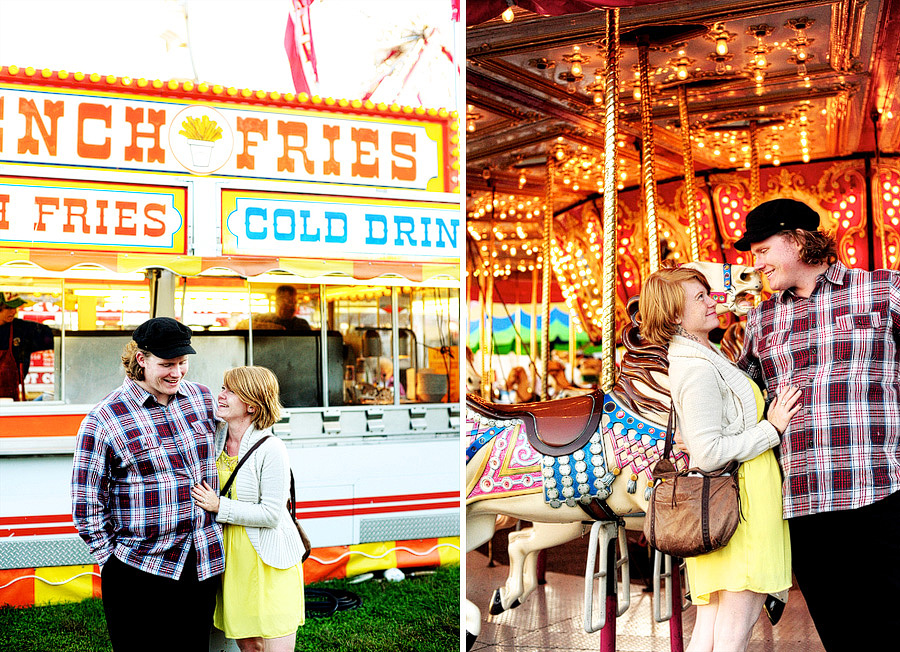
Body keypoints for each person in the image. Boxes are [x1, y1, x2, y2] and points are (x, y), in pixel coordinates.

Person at [735, 197, 900, 651]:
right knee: (839, 628)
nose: (757, 261)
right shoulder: (761, 318)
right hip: (804, 499)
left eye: (763, 248)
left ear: (797, 240)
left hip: (878, 488)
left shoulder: (883, 291)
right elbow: (739, 396)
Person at [640, 266, 801, 652]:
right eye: (701, 297)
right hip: (740, 506)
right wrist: (772, 428)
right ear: (676, 314)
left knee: (710, 632)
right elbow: (709, 453)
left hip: (731, 503)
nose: (713, 301)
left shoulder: (702, 355)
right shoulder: (695, 368)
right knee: (732, 636)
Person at [71, 317, 223, 652]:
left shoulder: (200, 398)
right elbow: (86, 502)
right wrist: (111, 561)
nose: (177, 373)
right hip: (140, 568)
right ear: (142, 359)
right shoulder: (104, 417)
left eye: (183, 363)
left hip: (202, 562)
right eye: (167, 364)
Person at [191, 366, 305, 652]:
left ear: (252, 405)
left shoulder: (271, 448)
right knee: (251, 647)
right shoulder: (215, 441)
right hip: (232, 562)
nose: (221, 395)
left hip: (270, 561)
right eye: (222, 387)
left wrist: (220, 507)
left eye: (230, 391)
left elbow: (271, 514)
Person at [0, 292, 54, 400]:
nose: (13, 311)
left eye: (15, 308)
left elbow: (52, 336)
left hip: (10, 399)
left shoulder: (21, 329)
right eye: (8, 308)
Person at [243, 285, 311, 330]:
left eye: (294, 301)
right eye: (288, 301)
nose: (292, 305)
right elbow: (241, 325)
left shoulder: (301, 324)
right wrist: (271, 327)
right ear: (278, 301)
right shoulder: (264, 318)